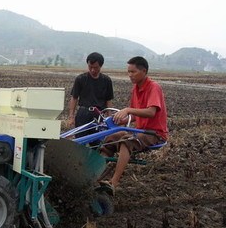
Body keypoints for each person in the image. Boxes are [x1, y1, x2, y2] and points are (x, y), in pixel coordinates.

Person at [100, 56, 168, 189]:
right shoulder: (136, 89)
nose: (130, 75)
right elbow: (136, 116)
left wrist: (127, 110)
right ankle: (94, 177)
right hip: (140, 131)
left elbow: (150, 112)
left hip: (155, 133)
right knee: (111, 138)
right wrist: (119, 120)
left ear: (143, 71)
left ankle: (113, 182)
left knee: (127, 140)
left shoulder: (154, 87)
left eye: (133, 72)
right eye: (128, 72)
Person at [69, 52, 114, 138]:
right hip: (83, 113)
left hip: (99, 114)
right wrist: (71, 116)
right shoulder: (80, 79)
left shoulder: (106, 80)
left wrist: (109, 118)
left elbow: (108, 100)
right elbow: (74, 98)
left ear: (101, 66)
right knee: (80, 141)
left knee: (97, 141)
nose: (93, 70)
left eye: (95, 68)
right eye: (90, 67)